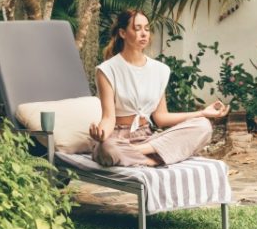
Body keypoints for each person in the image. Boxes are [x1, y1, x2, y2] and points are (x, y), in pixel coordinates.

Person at [89, 9, 230, 167]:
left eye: (147, 29)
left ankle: (139, 152)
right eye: (137, 28)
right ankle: (154, 159)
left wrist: (203, 113)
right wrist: (101, 134)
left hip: (147, 139)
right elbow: (109, 118)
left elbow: (161, 118)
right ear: (122, 33)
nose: (144, 34)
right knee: (107, 149)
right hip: (118, 138)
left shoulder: (159, 70)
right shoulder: (107, 69)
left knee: (203, 126)